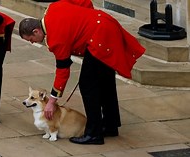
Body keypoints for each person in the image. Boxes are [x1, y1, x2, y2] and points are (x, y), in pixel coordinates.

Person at [19, 1, 145, 144]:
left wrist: (52, 101)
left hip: (99, 39)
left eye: (31, 39)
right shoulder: (54, 7)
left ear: (36, 31)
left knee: (88, 86)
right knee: (105, 81)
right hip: (105, 23)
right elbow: (85, 2)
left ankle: (94, 133)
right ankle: (110, 125)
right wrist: (86, 21)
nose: (32, 42)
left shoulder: (56, 39)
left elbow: (62, 71)